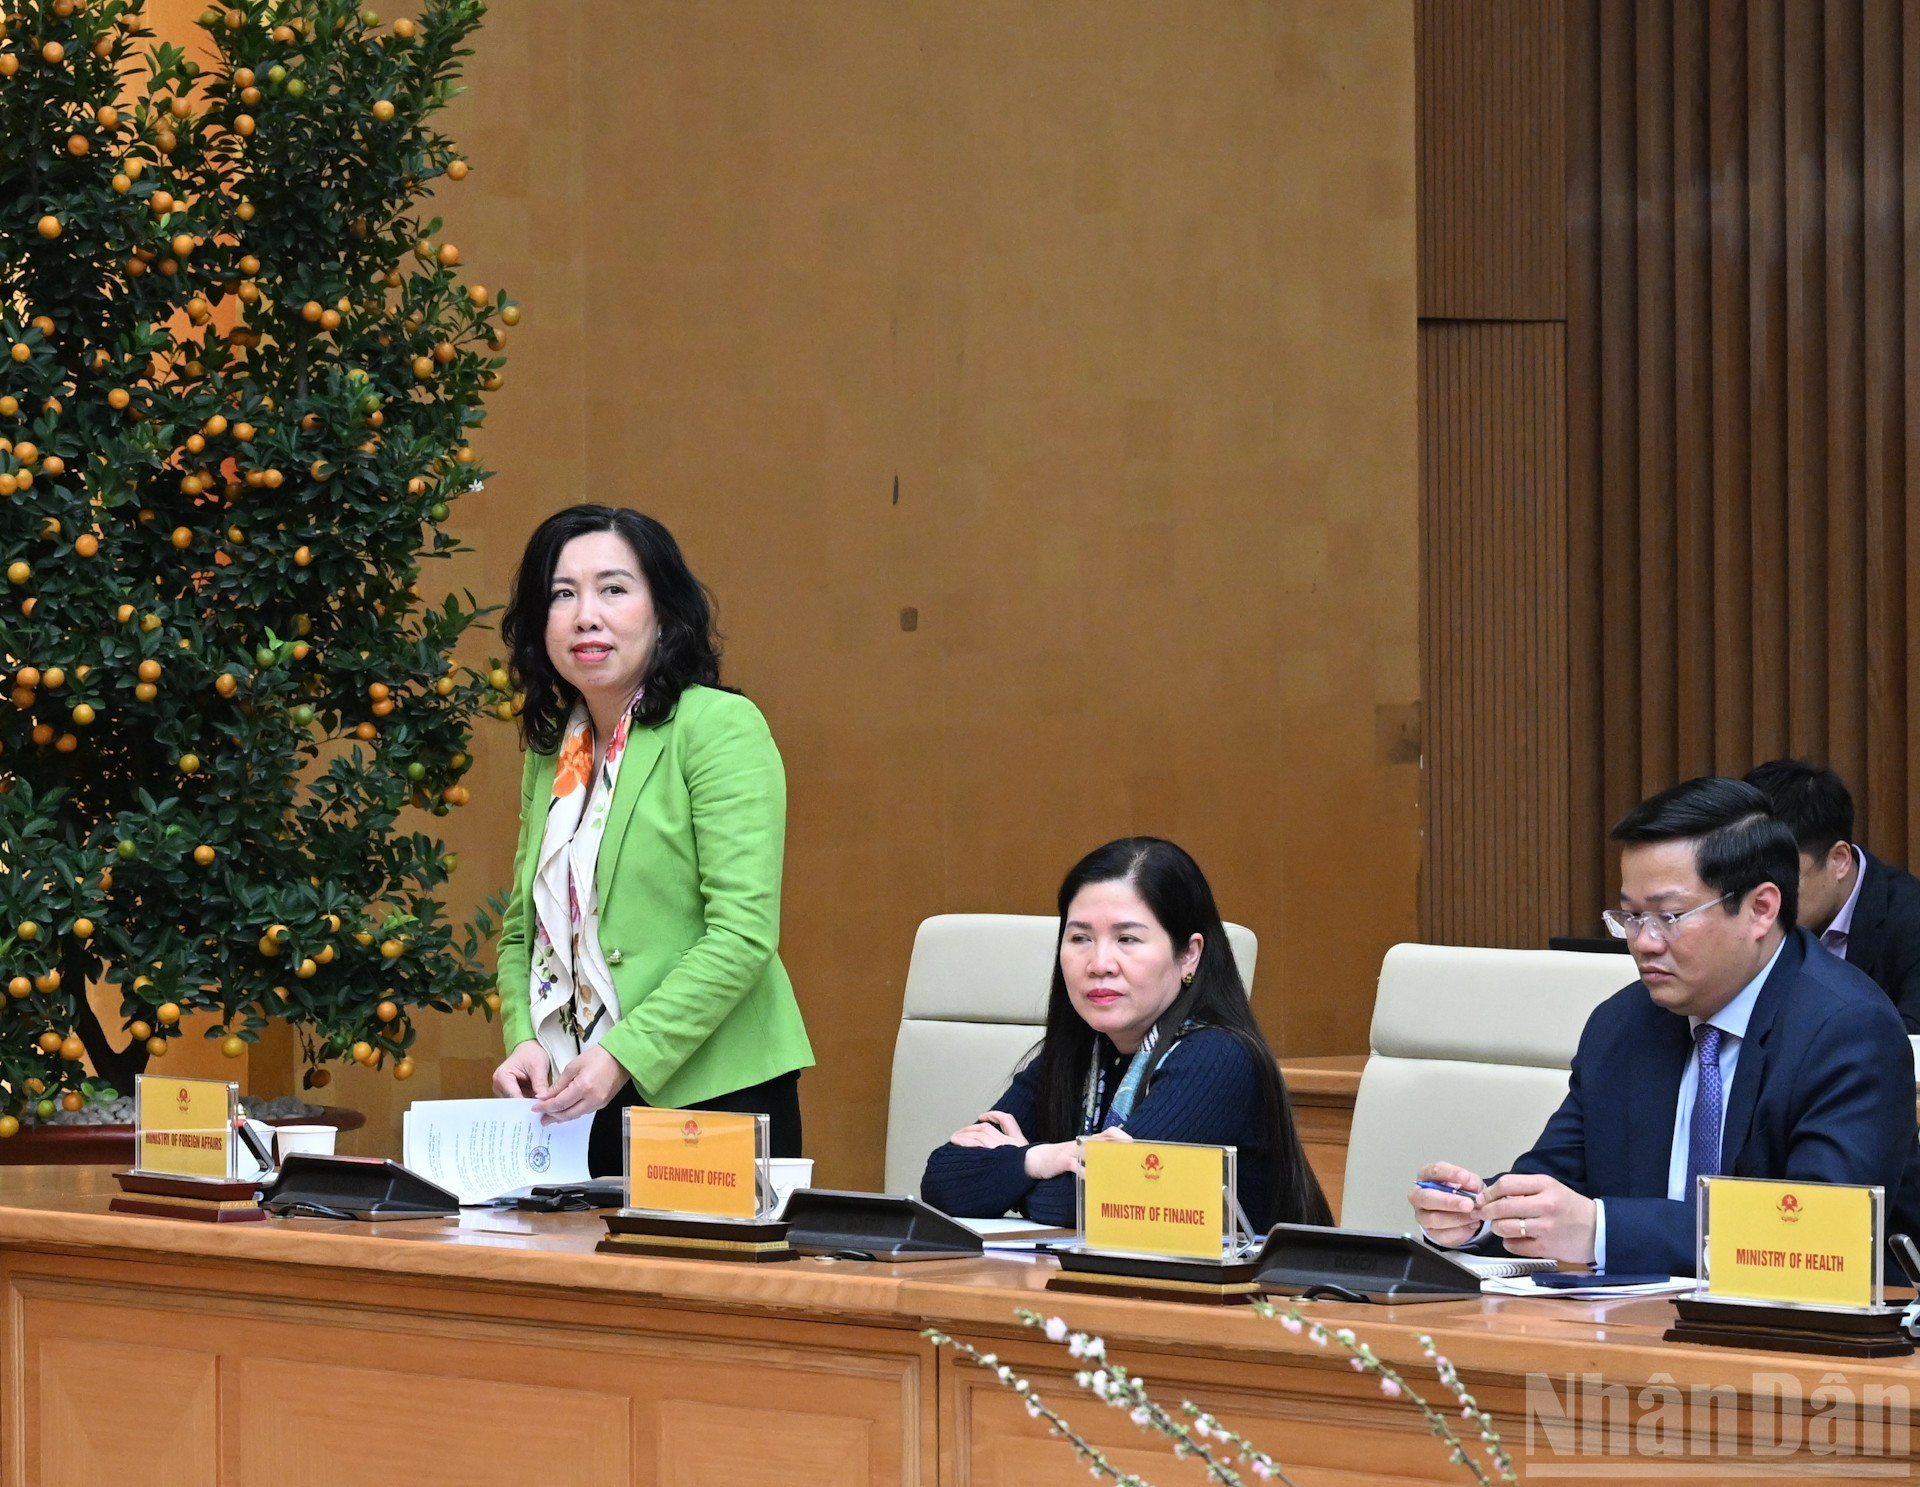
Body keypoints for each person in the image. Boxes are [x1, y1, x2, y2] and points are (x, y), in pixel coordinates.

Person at [1410, 777, 1920, 1276]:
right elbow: (1557, 1181)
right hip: (1636, 1317)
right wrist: (1478, 1214)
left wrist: (1604, 1230)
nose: (1643, 942)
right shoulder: (1623, 1023)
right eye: (1630, 917)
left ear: (1761, 909)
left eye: (1669, 916)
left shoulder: (1849, 1031)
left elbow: (1820, 1236)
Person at [490, 505, 814, 1174]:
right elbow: (523, 929)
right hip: (574, 1101)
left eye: (613, 589)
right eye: (562, 594)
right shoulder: (553, 752)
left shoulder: (718, 726)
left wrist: (624, 1055)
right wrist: (525, 1039)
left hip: (713, 1096)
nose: (586, 615)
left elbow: (742, 934)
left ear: (663, 611)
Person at [920, 837, 1331, 1233]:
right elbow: (942, 1182)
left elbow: (1112, 1202)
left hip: (1253, 1283)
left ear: (1189, 954)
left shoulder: (1217, 1057)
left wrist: (1013, 1174)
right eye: (1080, 938)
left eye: (1127, 939)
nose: (1099, 963)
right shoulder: (1078, 1054)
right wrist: (1040, 1159)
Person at [1744, 758, 1920, 1033]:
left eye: (1782, 882)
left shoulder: (1911, 920)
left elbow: (1912, 1042)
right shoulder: (1739, 910)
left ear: (1839, 860)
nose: (1764, 904)